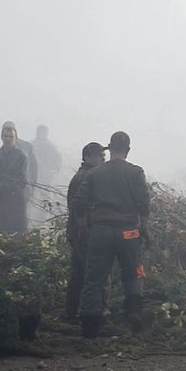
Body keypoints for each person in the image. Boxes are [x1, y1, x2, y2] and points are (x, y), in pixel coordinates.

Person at [74, 131, 150, 339]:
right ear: (128, 150)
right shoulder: (136, 172)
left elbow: (80, 202)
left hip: (100, 231)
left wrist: (82, 225)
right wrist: (143, 228)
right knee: (134, 274)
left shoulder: (94, 173)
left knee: (94, 279)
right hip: (128, 232)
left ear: (110, 147)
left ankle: (89, 328)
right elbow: (143, 202)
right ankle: (133, 316)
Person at [63, 141, 107, 322]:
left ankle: (72, 312)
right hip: (84, 232)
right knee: (93, 272)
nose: (103, 159)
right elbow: (78, 208)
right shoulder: (85, 178)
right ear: (88, 158)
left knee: (80, 273)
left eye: (104, 156)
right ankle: (94, 312)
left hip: (80, 232)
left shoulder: (86, 175)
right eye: (99, 156)